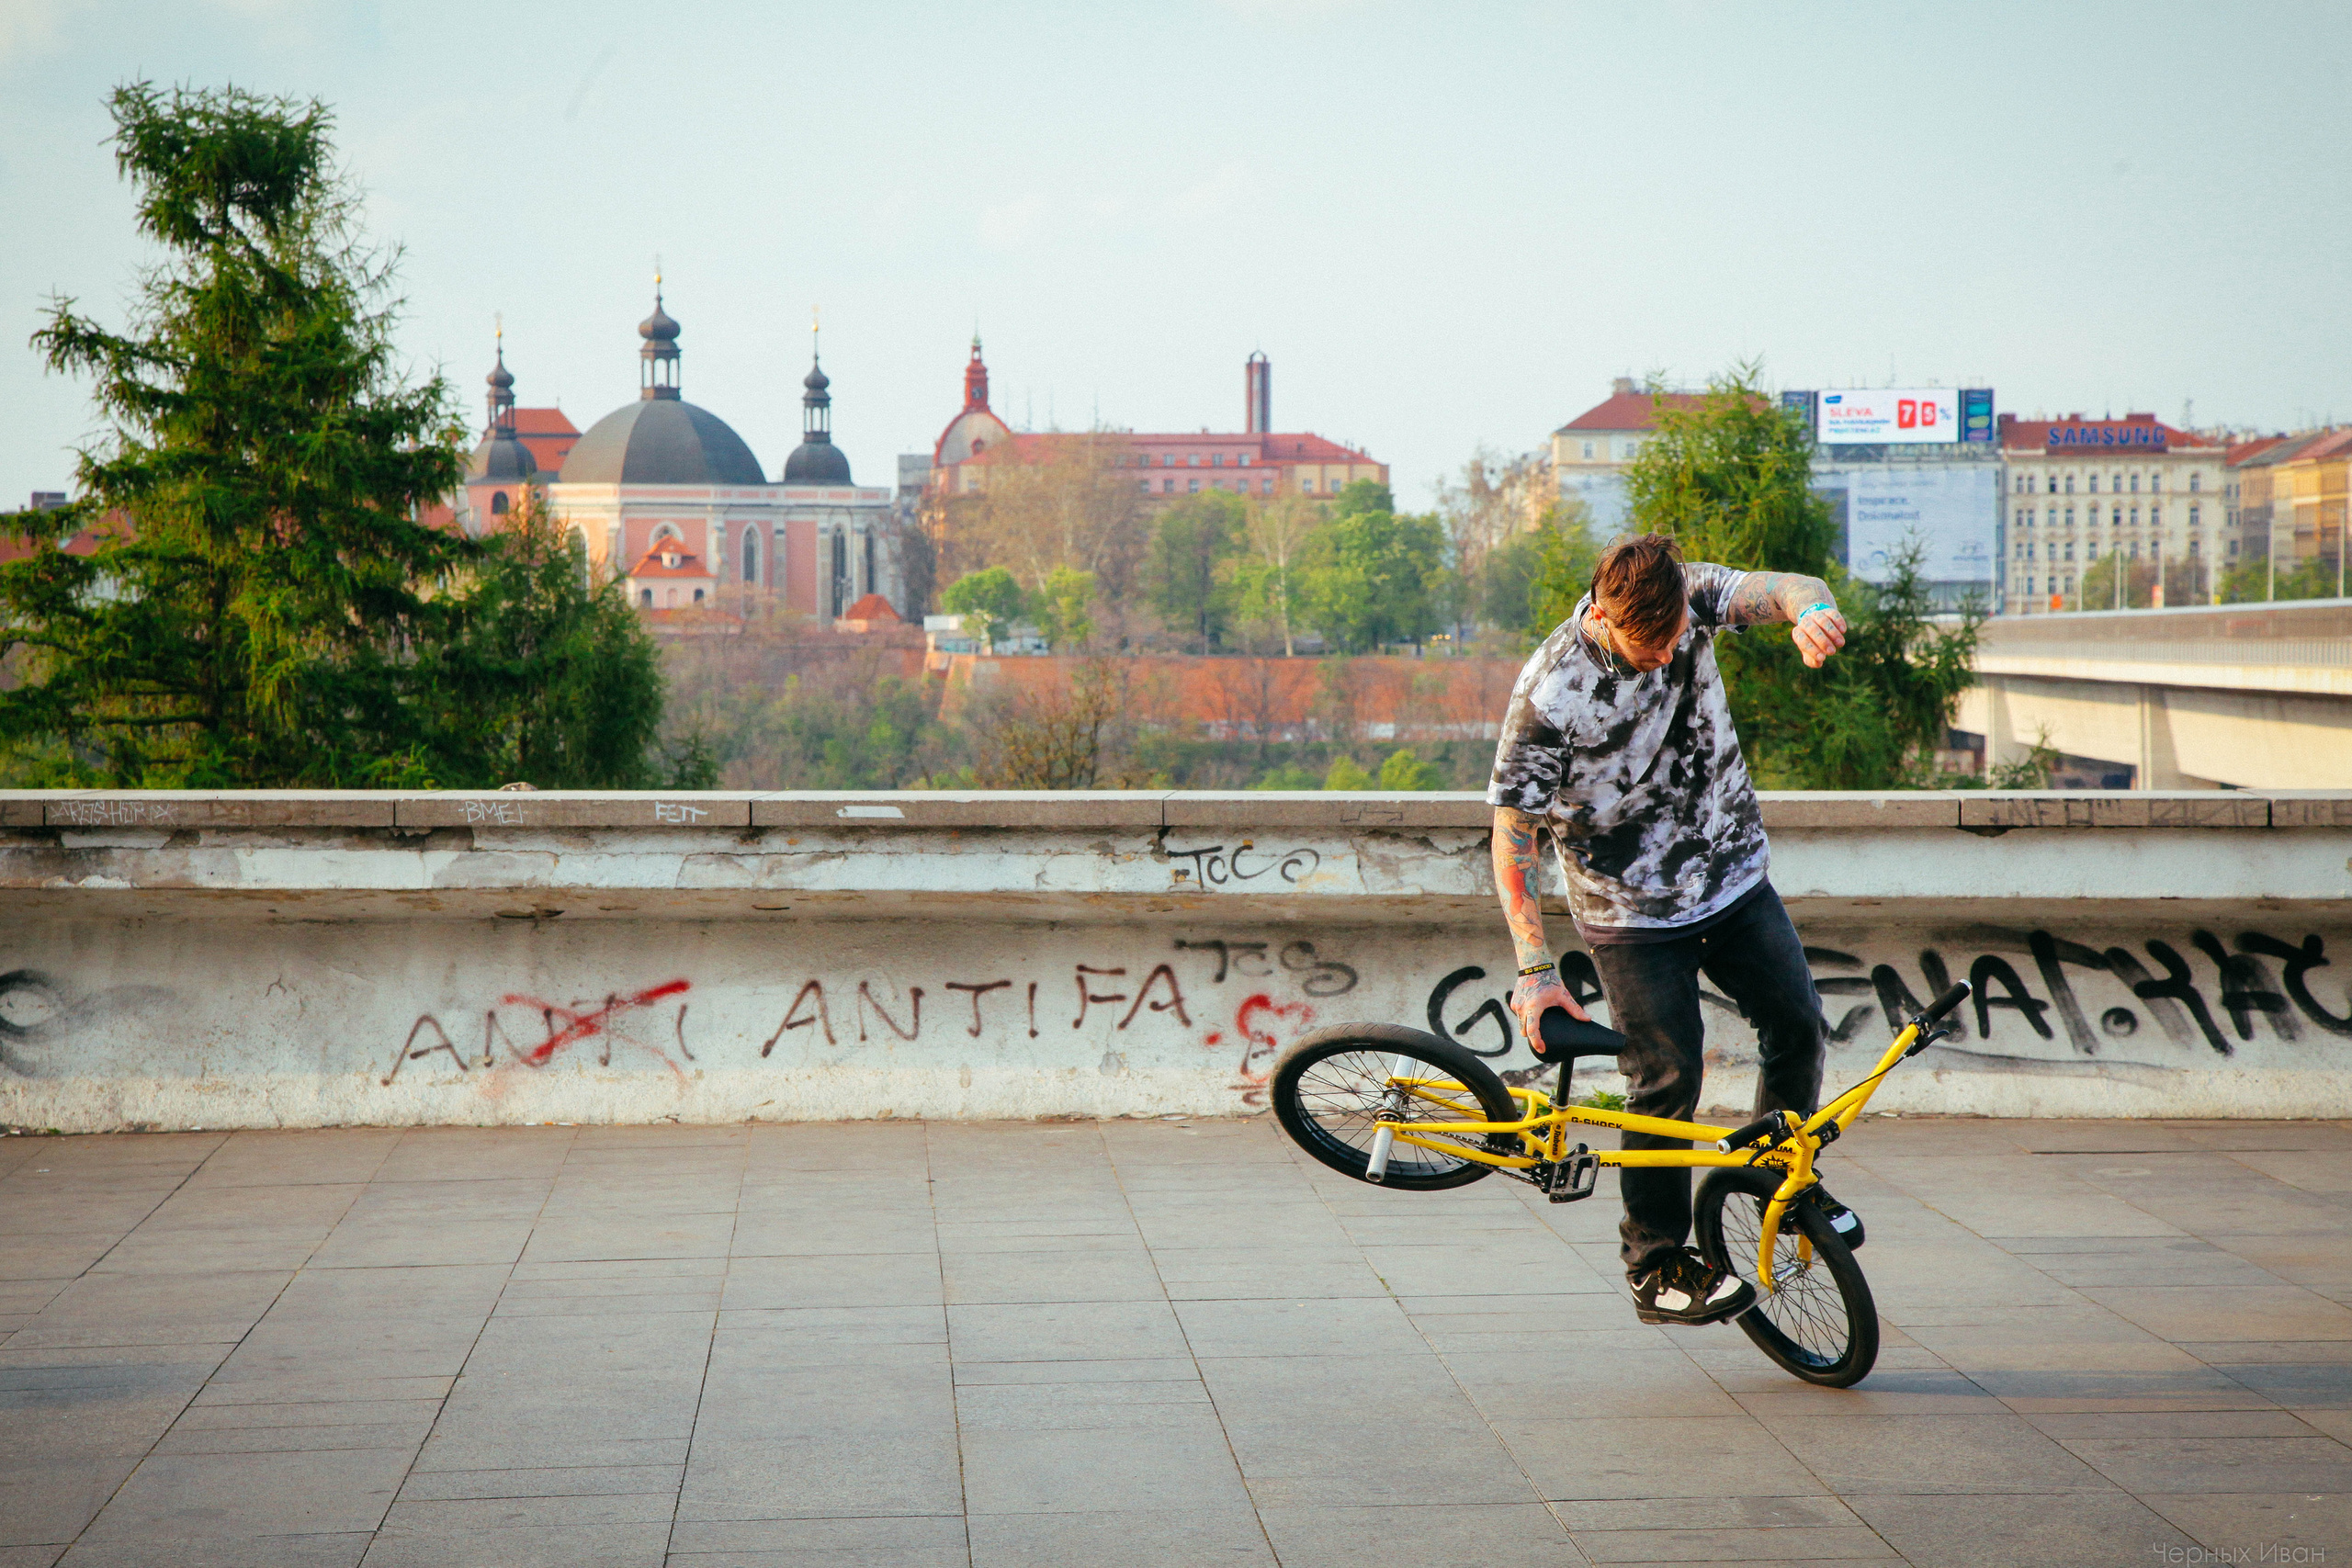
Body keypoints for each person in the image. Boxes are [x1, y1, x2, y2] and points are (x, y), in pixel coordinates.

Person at [1486, 533, 1862, 1326]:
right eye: (1645, 645)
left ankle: (1776, 1185)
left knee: (1798, 1024)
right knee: (1667, 1074)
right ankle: (1655, 1262)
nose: (1663, 656)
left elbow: (1788, 583)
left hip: (1731, 877)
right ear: (1602, 615)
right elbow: (1513, 837)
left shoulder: (1689, 594)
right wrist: (1535, 970)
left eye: (1674, 638)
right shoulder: (1550, 696)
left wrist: (1813, 612)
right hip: (1630, 914)